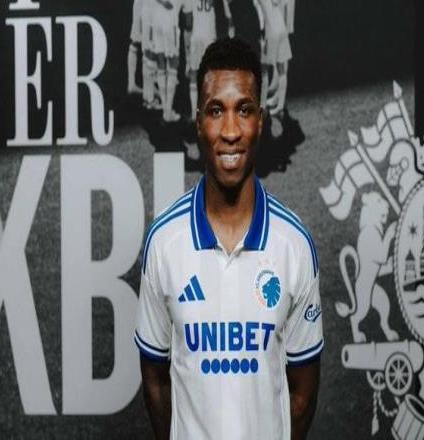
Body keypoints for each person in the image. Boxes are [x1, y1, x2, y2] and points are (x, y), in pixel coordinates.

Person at [135, 37, 323, 439]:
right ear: (198, 122)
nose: (231, 131)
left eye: (245, 110)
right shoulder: (164, 242)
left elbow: (302, 394)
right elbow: (155, 380)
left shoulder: (293, 245)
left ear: (261, 122)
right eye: (216, 111)